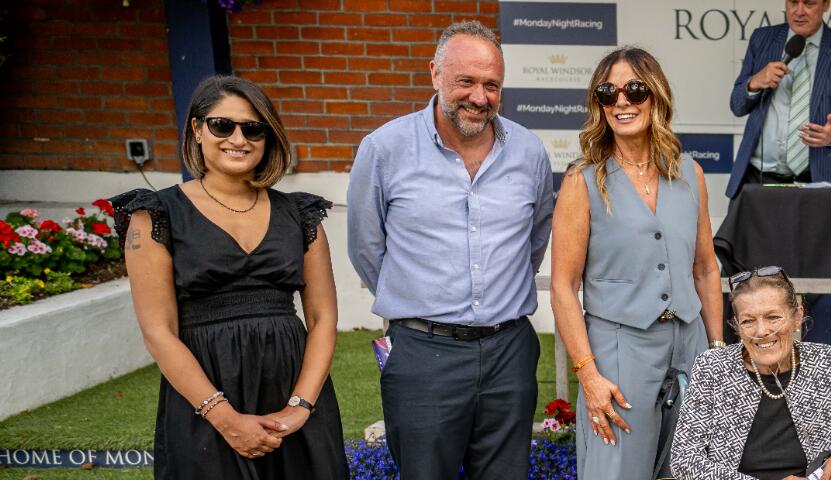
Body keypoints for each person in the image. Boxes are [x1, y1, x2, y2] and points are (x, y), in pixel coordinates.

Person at [346, 20, 555, 478]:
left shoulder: (530, 152)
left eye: (491, 85)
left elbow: (533, 242)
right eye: (466, 82)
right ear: (435, 74)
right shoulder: (384, 149)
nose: (479, 97)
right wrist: (420, 302)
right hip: (422, 354)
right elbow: (365, 248)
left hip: (509, 352)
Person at [111, 75, 346, 479]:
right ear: (197, 128)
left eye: (254, 129)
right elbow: (158, 331)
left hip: (293, 392)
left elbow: (323, 318)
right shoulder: (155, 214)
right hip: (205, 399)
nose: (239, 139)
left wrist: (299, 408)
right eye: (223, 125)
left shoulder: (301, 214)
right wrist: (224, 418)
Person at [549, 46, 726, 479]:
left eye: (635, 89)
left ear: (656, 95)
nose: (622, 101)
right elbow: (563, 287)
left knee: (694, 470)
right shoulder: (582, 181)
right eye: (608, 93)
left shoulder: (690, 174)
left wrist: (717, 353)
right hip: (619, 352)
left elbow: (705, 269)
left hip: (690, 346)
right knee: (617, 470)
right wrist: (588, 375)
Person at [671, 267, 831, 480]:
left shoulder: (827, 361)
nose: (761, 331)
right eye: (748, 321)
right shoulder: (713, 367)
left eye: (773, 317)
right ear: (737, 326)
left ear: (797, 317)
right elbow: (684, 459)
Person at [726, 0, 831, 197]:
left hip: (814, 180)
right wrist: (754, 82)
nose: (799, 11)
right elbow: (737, 105)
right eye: (793, 2)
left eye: (809, 3)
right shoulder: (762, 39)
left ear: (826, 4)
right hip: (756, 178)